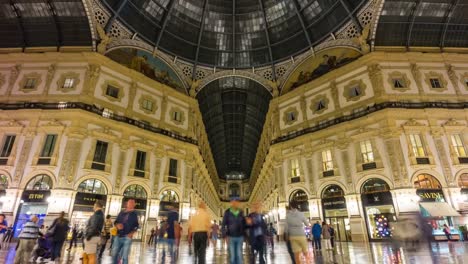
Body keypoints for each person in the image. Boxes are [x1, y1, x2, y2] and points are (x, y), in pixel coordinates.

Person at [112, 198, 140, 264]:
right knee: (114, 254)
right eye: (129, 202)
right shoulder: (121, 212)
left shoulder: (134, 214)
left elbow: (137, 225)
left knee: (125, 256)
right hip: (118, 236)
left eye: (132, 203)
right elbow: (116, 222)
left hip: (127, 237)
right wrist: (117, 225)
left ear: (134, 205)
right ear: (127, 204)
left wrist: (131, 233)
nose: (131, 204)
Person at [221, 197, 246, 264]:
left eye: (236, 201)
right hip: (230, 236)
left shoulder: (241, 212)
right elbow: (223, 224)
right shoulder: (227, 212)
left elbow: (244, 224)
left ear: (238, 203)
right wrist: (224, 235)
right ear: (231, 202)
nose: (235, 203)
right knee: (232, 256)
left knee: (239, 255)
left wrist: (245, 234)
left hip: (240, 236)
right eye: (233, 201)